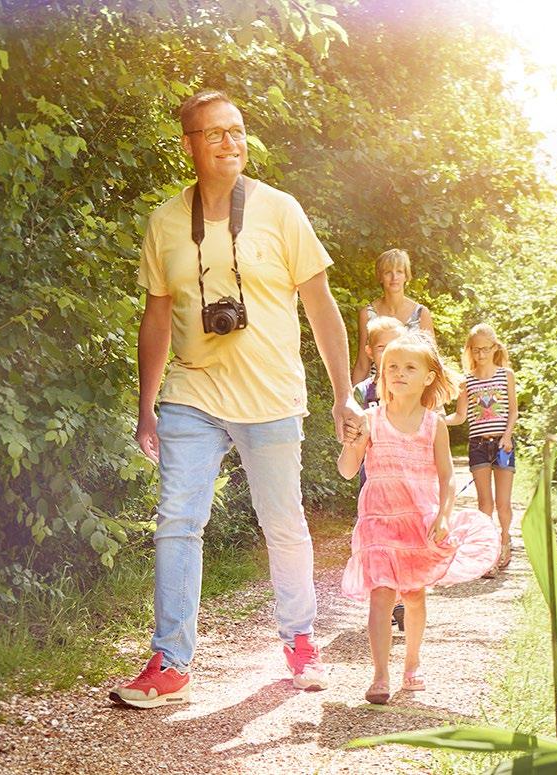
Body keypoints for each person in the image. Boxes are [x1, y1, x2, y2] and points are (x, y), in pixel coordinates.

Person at [109, 89, 364, 709]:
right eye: (214, 132)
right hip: (192, 392)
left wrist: (341, 396)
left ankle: (300, 639)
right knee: (177, 521)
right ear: (190, 145)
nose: (230, 141)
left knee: (283, 525)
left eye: (237, 130)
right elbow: (156, 317)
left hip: (272, 394)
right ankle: (170, 661)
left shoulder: (280, 211)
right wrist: (147, 405)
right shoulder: (166, 221)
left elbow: (321, 307)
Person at [338, 332, 500, 704]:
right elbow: (347, 471)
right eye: (392, 366)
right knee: (381, 595)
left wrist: (444, 516)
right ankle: (380, 675)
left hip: (418, 520)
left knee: (413, 596)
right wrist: (352, 441)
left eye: (410, 367)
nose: (399, 373)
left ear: (428, 376)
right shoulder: (369, 420)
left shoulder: (433, 424)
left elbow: (447, 477)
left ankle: (412, 662)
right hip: (378, 519)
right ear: (381, 373)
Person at [446, 323, 517, 578]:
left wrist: (507, 436)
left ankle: (505, 539)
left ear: (495, 348)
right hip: (478, 445)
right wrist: (435, 419)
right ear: (470, 351)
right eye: (475, 350)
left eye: (485, 349)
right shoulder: (467, 381)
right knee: (484, 503)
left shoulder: (506, 374)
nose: (480, 355)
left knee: (503, 504)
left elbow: (513, 412)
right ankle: (489, 555)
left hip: (503, 444)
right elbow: (460, 415)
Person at [353, 315, 406, 631]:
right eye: (382, 347)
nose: (389, 353)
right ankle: (386, 598)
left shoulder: (410, 387)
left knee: (402, 539)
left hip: (406, 479)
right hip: (371, 480)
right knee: (376, 540)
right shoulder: (361, 392)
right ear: (371, 351)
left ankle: (400, 599)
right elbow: (350, 438)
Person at [351, 248, 435, 385]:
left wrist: (436, 402)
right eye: (388, 272)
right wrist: (352, 400)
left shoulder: (421, 314)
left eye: (399, 272)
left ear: (406, 276)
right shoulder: (367, 314)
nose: (394, 277)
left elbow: (432, 361)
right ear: (380, 277)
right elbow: (362, 362)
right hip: (378, 391)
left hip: (414, 391)